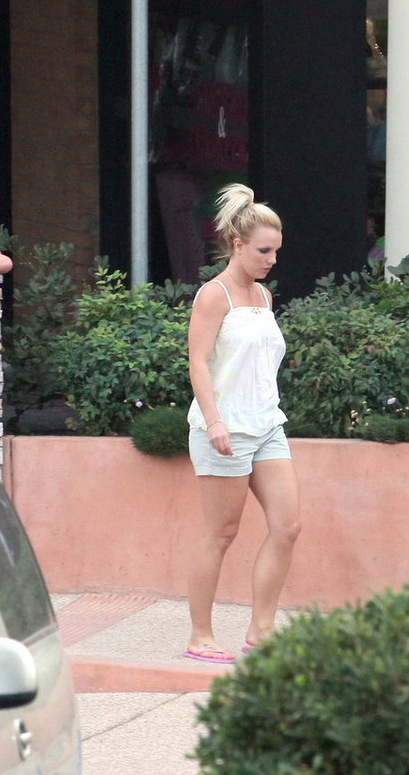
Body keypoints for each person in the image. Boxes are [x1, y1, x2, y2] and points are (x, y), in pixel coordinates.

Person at [183, 184, 301, 664]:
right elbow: (197, 361)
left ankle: (262, 627)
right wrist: (214, 421)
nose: (271, 259)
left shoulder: (264, 296)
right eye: (263, 250)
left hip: (267, 425)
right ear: (237, 245)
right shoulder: (214, 296)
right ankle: (200, 635)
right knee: (220, 533)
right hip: (224, 430)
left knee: (288, 525)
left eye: (276, 251)